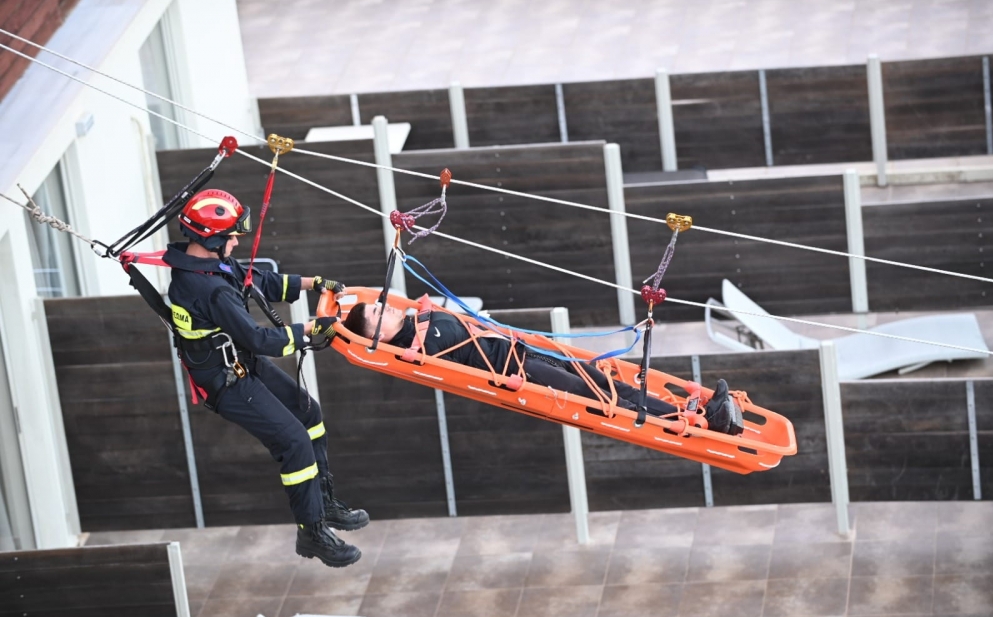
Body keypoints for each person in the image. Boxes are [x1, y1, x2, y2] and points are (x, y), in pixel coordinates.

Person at [164, 188, 367, 568]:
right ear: (211, 238)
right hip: (226, 379)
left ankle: (324, 504)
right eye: (231, 235)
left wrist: (315, 283)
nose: (237, 240)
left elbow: (262, 283)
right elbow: (260, 339)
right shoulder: (207, 288)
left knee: (310, 415)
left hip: (240, 363)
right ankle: (312, 533)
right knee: (294, 442)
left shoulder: (214, 265)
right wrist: (307, 330)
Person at [342, 299, 743, 435]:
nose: (386, 307)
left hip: (524, 353)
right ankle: (700, 420)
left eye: (380, 304)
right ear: (376, 332)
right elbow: (421, 356)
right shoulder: (414, 345)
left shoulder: (417, 316)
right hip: (522, 372)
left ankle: (695, 412)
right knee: (601, 397)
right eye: (378, 312)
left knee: (607, 385)